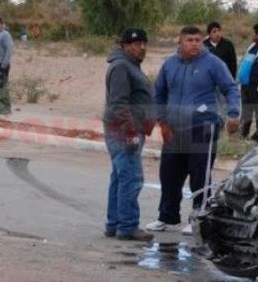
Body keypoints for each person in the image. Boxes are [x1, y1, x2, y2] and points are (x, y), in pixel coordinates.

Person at [147, 26, 241, 235]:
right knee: (169, 174)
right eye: (189, 40)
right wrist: (162, 122)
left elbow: (230, 88)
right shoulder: (170, 64)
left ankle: (199, 218)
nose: (195, 43)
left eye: (198, 40)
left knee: (200, 175)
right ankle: (167, 217)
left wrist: (233, 113)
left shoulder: (213, 63)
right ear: (180, 42)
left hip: (203, 126)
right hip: (174, 128)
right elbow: (159, 94)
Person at [102, 28, 156, 241]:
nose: (141, 48)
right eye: (136, 44)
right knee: (131, 178)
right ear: (125, 45)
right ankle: (127, 226)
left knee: (120, 176)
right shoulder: (122, 67)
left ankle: (114, 224)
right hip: (123, 131)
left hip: (124, 129)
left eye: (144, 43)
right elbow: (119, 103)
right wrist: (131, 132)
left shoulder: (129, 65)